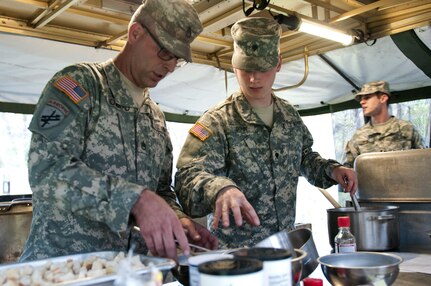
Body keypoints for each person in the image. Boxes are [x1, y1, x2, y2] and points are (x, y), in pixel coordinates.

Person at [20, 0, 217, 262]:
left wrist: (177, 219)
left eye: (177, 59)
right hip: (64, 271)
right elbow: (46, 171)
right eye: (165, 53)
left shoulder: (154, 116)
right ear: (135, 33)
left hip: (128, 272)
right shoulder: (82, 85)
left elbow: (160, 189)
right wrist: (136, 200)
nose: (170, 67)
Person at [174, 17, 358, 248]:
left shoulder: (289, 116)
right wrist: (220, 188)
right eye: (247, 69)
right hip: (237, 257)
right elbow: (187, 177)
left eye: (262, 69)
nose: (254, 78)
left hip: (285, 248)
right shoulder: (217, 121)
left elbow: (304, 158)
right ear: (234, 65)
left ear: (278, 63)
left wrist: (333, 170)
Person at [342, 80, 426, 168]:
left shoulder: (406, 128)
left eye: (367, 97)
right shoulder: (359, 136)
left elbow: (423, 161)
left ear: (383, 98)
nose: (362, 102)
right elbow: (348, 169)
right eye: (361, 99)